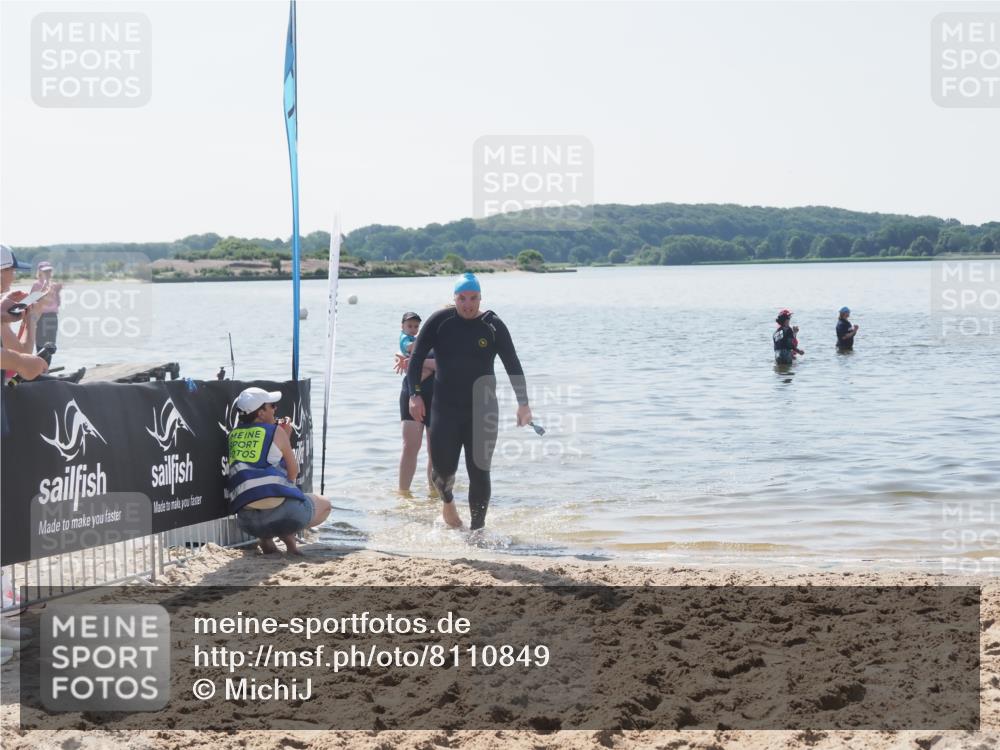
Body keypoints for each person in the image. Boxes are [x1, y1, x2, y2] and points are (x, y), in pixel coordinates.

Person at [406, 272, 532, 531]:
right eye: (462, 298)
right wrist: (414, 395)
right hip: (445, 409)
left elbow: (513, 364)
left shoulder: (492, 324)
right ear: (454, 298)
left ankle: (477, 530)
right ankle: (448, 503)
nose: (468, 304)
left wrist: (523, 403)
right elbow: (416, 358)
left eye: (473, 298)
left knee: (479, 471)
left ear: (480, 297)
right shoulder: (440, 321)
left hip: (483, 410)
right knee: (441, 473)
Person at [226, 387, 331, 554]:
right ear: (260, 413)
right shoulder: (276, 431)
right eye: (271, 405)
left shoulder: (233, 435)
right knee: (324, 504)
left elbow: (259, 464)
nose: (275, 409)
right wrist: (284, 435)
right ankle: (290, 544)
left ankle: (266, 540)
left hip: (248, 522)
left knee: (265, 496)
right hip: (284, 516)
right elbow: (293, 472)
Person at [394, 312, 436, 493]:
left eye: (416, 326)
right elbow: (407, 360)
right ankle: (403, 494)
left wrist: (417, 362)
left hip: (438, 397)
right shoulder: (412, 341)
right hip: (411, 394)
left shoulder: (437, 343)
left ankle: (435, 494)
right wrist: (417, 363)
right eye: (409, 325)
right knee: (410, 446)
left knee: (436, 451)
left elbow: (446, 365)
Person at [30, 261, 61, 351]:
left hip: (52, 316)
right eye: (45, 271)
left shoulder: (53, 285)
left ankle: (45, 365)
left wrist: (58, 292)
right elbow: (31, 301)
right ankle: (41, 364)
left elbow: (57, 304)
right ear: (40, 272)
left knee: (51, 345)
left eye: (49, 271)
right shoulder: (36, 284)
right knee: (41, 344)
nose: (48, 273)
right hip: (40, 317)